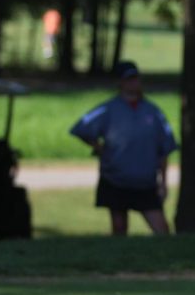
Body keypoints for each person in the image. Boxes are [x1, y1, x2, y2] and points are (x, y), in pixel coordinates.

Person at [70, 61, 176, 236]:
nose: (133, 83)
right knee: (119, 228)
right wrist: (98, 146)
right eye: (128, 79)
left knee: (162, 230)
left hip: (146, 183)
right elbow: (80, 128)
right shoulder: (109, 109)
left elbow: (165, 148)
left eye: (136, 79)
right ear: (120, 82)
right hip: (115, 179)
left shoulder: (153, 112)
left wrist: (163, 183)